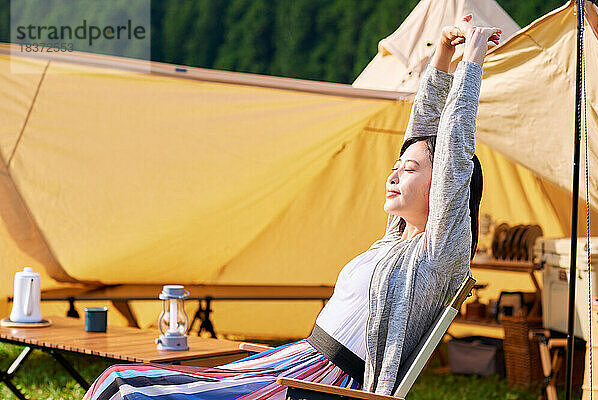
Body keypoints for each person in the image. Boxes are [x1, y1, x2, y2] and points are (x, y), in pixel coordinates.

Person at [83, 15, 500, 400]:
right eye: (395, 166)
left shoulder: (439, 255)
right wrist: (443, 57)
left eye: (408, 169)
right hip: (294, 363)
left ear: (444, 189)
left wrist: (472, 63)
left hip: (317, 386)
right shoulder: (395, 239)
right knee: (118, 378)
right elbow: (423, 129)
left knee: (131, 394)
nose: (392, 175)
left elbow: (453, 153)